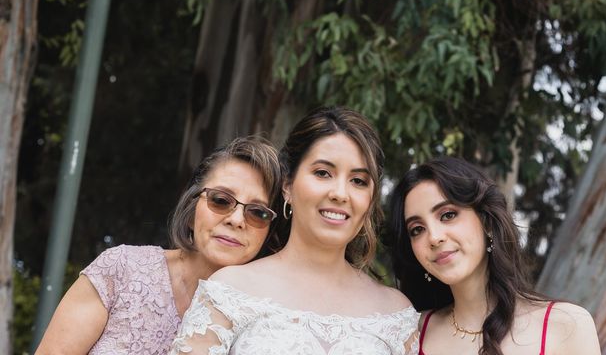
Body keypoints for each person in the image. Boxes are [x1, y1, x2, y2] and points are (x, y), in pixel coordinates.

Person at [170, 106, 420, 355]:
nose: (340, 194)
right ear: (288, 185)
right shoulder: (230, 290)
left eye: (358, 181)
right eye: (323, 173)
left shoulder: (395, 314)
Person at [35, 136, 283, 355]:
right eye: (220, 200)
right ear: (191, 206)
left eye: (257, 213)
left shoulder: (270, 322)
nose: (236, 220)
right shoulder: (121, 270)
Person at [388, 156, 601, 355]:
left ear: (487, 222)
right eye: (417, 229)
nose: (434, 237)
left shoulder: (566, 325)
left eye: (448, 215)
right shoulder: (410, 334)